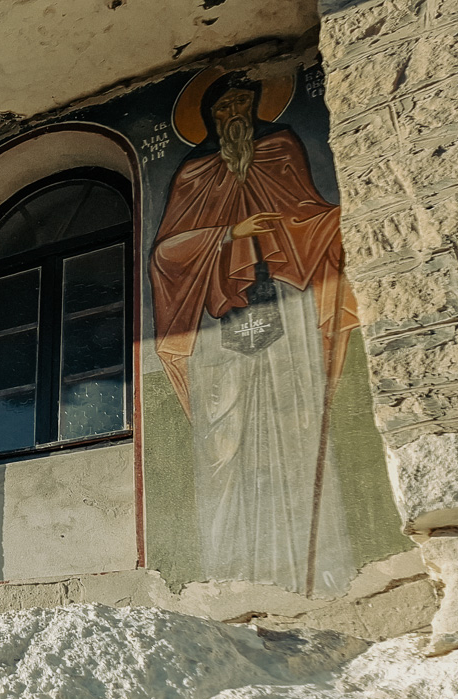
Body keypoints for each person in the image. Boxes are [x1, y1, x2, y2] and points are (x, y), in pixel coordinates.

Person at [150, 72, 361, 596]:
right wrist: (229, 235)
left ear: (257, 104)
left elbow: (313, 217)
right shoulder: (194, 173)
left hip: (290, 313)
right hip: (220, 332)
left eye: (242, 102)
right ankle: (234, 578)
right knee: (226, 446)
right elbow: (166, 254)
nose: (234, 115)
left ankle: (321, 569)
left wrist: (337, 221)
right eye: (223, 108)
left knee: (299, 427)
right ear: (210, 117)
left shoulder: (280, 149)